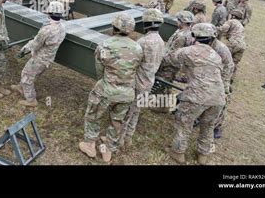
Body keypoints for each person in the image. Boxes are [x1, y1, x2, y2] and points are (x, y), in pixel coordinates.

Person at [79, 13, 143, 163]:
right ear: (131, 30)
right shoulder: (138, 48)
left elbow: (99, 71)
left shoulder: (105, 45)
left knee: (93, 116)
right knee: (117, 121)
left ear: (114, 27)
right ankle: (108, 149)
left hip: (106, 90)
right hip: (127, 93)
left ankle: (90, 145)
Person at [164, 23, 226, 165]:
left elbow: (169, 59)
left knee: (184, 122)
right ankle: (202, 156)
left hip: (197, 97)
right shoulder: (216, 55)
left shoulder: (188, 51)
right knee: (208, 126)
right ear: (211, 39)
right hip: (218, 98)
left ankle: (178, 153)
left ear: (193, 36)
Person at [121, 9, 165, 147]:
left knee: (127, 112)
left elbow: (130, 62)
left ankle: (118, 140)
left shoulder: (143, 41)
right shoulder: (161, 41)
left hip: (137, 82)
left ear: (146, 23)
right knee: (136, 111)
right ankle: (128, 137)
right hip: (149, 81)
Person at [11, 1, 66, 107]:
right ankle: (21, 87)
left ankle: (31, 100)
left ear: (49, 12)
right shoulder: (62, 28)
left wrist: (23, 50)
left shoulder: (46, 30)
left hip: (40, 59)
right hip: (49, 58)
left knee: (26, 75)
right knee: (31, 74)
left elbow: (35, 44)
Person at [205, 23, 234, 139]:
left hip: (223, 75)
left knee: (222, 99)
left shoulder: (220, 49)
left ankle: (217, 126)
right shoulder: (204, 43)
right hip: (210, 72)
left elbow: (228, 67)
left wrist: (221, 84)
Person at [218, 9, 246, 81]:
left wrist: (216, 29)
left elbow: (223, 29)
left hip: (233, 43)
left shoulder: (231, 21)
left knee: (225, 59)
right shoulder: (241, 25)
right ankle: (231, 78)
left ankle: (222, 77)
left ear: (233, 15)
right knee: (234, 62)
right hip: (242, 45)